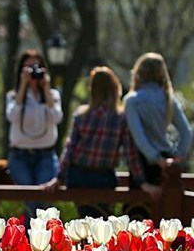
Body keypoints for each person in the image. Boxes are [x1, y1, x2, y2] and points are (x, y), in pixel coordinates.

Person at [43, 66, 161, 218]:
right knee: (101, 219)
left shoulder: (81, 115)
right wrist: (142, 182)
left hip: (77, 176)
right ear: (115, 88)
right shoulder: (121, 118)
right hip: (103, 178)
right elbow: (130, 155)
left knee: (87, 217)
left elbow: (70, 149)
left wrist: (59, 178)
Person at [6, 49, 64, 224]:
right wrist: (23, 87)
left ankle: (40, 242)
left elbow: (57, 117)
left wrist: (46, 89)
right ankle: (30, 244)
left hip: (45, 155)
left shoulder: (52, 95)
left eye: (37, 67)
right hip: (20, 156)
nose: (34, 71)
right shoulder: (13, 96)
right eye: (29, 67)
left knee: (42, 200)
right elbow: (12, 116)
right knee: (30, 200)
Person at [123, 52, 194, 186]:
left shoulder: (132, 101)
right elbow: (187, 132)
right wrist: (177, 156)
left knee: (138, 206)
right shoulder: (168, 99)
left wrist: (155, 158)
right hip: (167, 158)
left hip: (143, 162)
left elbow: (139, 136)